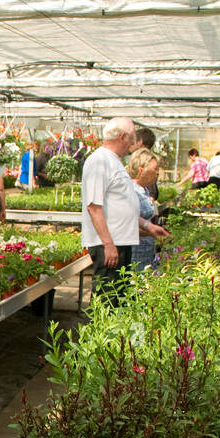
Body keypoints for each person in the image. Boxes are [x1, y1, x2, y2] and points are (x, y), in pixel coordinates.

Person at [81, 118, 169, 304]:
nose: (132, 144)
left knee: (118, 299)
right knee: (107, 300)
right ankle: (100, 333)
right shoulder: (99, 161)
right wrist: (108, 245)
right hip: (110, 245)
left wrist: (148, 227)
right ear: (122, 136)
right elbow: (93, 207)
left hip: (119, 243)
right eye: (131, 138)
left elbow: (121, 206)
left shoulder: (114, 162)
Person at [126, 149, 170, 270]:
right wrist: (153, 232)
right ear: (141, 170)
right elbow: (127, 225)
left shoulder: (144, 190)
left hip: (146, 250)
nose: (157, 173)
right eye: (154, 169)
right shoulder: (131, 192)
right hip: (134, 253)